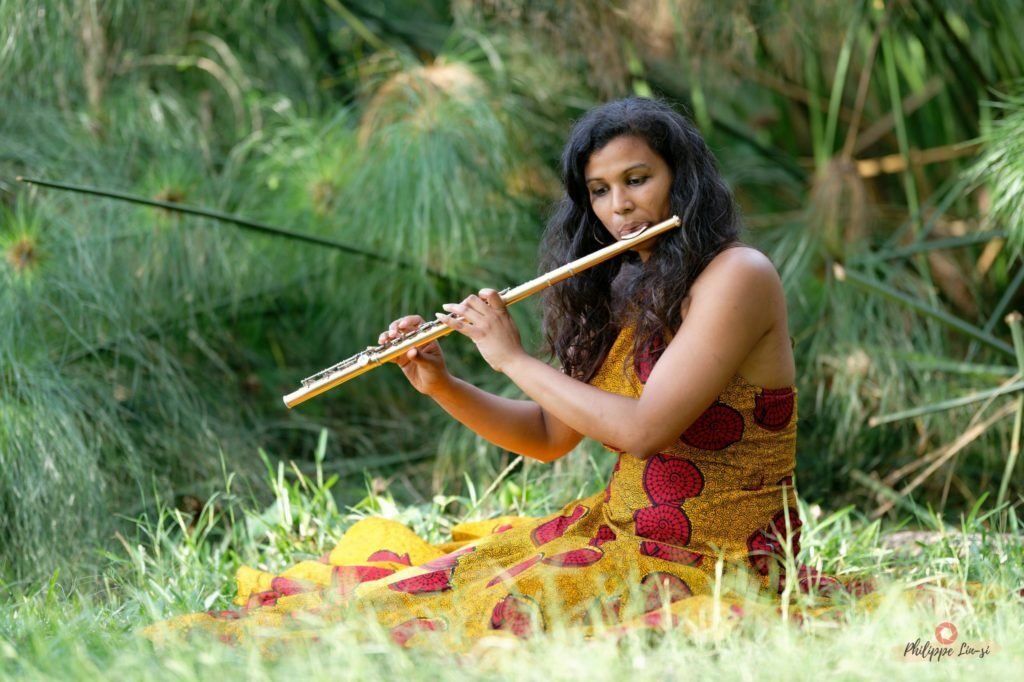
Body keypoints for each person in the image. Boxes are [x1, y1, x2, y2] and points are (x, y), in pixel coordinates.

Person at [146, 97, 872, 650]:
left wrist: (512, 358)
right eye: (600, 191)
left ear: (682, 181)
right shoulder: (629, 283)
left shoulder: (738, 276)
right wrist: (443, 382)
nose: (620, 207)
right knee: (440, 589)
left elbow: (645, 430)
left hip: (718, 558)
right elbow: (552, 436)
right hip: (622, 532)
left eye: (637, 180)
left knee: (499, 614)